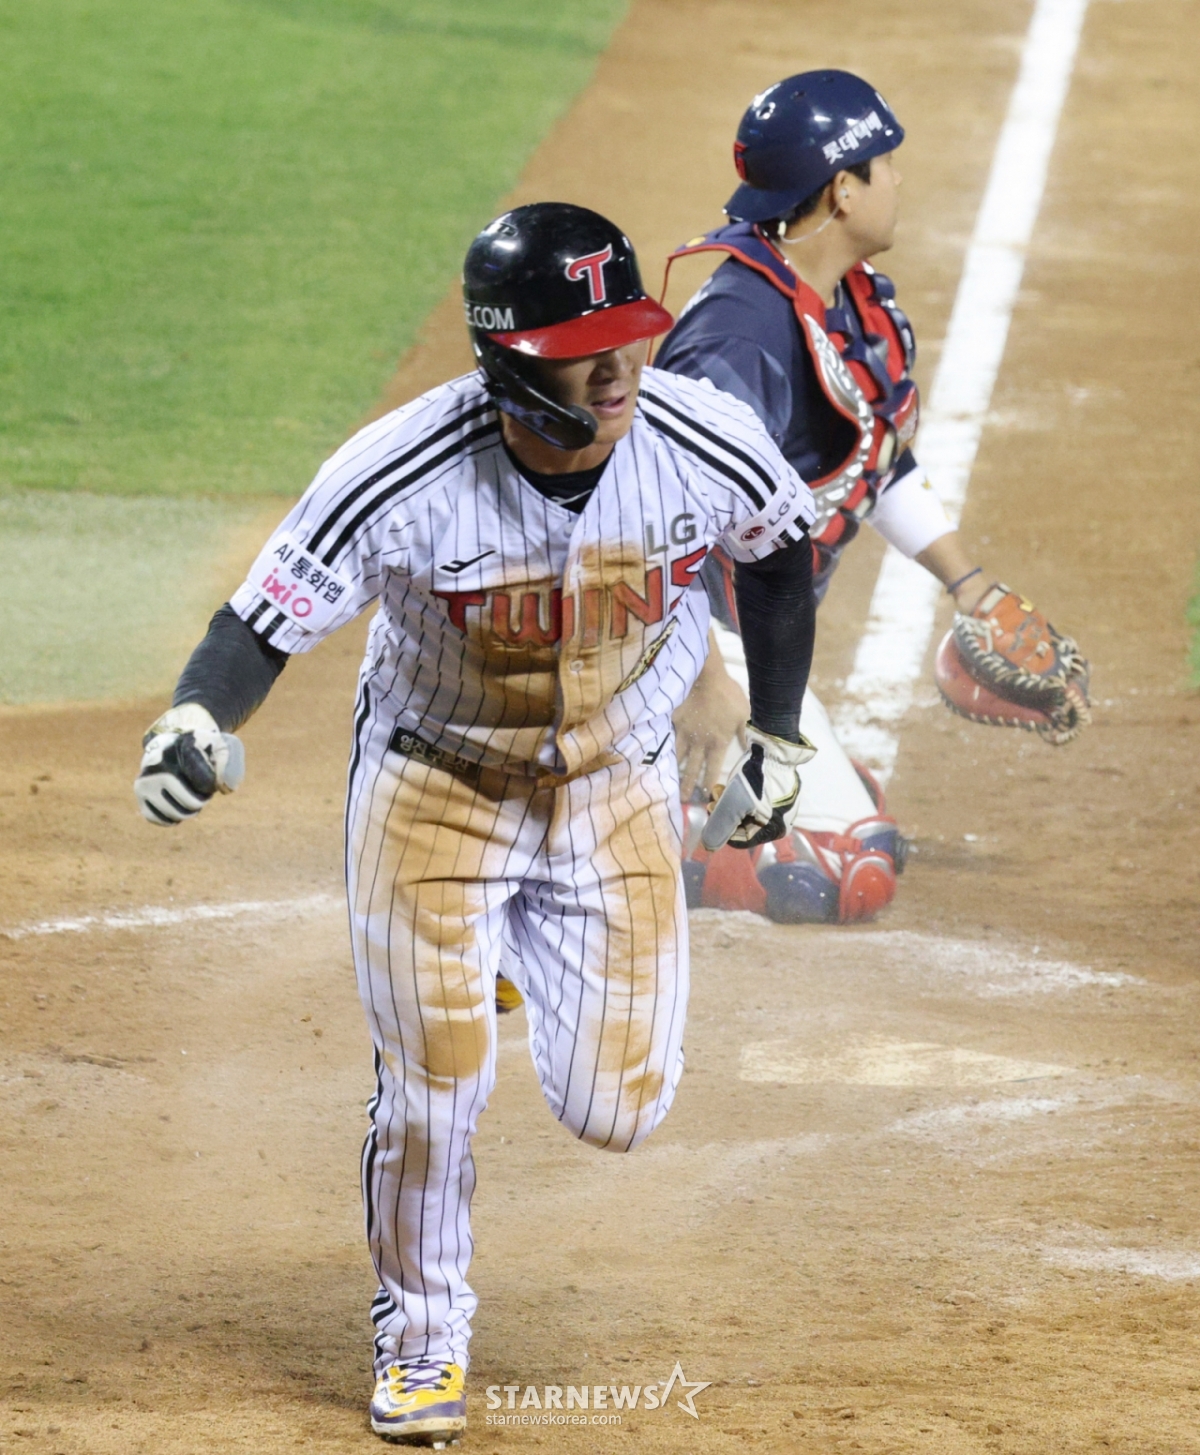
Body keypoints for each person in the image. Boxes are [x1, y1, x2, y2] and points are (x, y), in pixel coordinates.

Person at [131, 203, 818, 1445]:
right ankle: (422, 1333)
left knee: (622, 1111)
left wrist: (776, 732)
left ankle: (502, 965)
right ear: (509, 357)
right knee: (435, 1093)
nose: (619, 369)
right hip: (435, 797)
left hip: (615, 787)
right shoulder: (400, 470)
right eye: (584, 346)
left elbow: (778, 551)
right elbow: (261, 621)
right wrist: (194, 717)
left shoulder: (698, 443)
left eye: (630, 337)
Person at [657, 69, 1087, 926]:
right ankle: (635, 812)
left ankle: (703, 799)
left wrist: (971, 586)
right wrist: (698, 676)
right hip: (671, 637)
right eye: (884, 165)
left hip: (752, 633)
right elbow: (649, 530)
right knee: (839, 867)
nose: (899, 180)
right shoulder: (740, 342)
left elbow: (875, 454)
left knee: (851, 827)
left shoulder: (843, 301)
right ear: (842, 190)